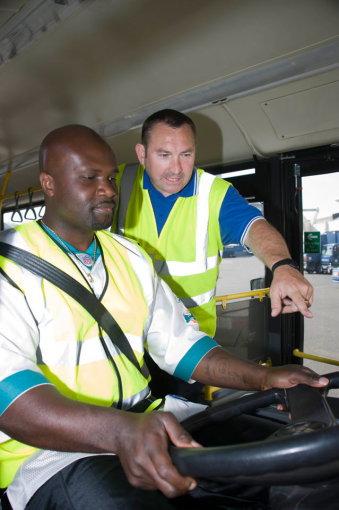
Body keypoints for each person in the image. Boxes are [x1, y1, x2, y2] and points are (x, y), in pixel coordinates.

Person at [0, 125, 327, 510]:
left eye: (111, 178)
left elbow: (182, 347)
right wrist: (120, 432)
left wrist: (265, 377)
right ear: (49, 183)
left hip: (150, 421)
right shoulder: (9, 265)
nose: (107, 189)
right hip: (50, 453)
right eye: (89, 178)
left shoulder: (131, 257)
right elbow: (11, 398)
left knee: (296, 468)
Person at [113, 109, 314, 339]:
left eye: (186, 154)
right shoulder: (117, 182)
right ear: (142, 154)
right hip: (127, 335)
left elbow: (254, 227)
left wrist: (283, 266)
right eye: (164, 155)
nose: (176, 168)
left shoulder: (214, 194)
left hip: (188, 343)